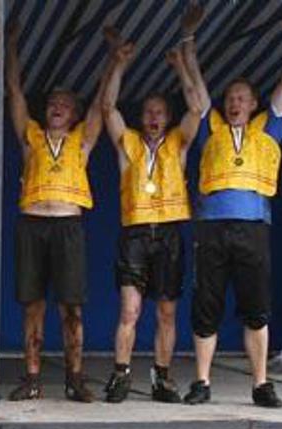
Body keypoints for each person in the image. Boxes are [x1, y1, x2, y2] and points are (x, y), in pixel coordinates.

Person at [180, 5, 282, 407]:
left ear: (253, 104)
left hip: (253, 229)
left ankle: (261, 384)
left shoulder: (270, 129)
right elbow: (196, 87)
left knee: (256, 309)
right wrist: (189, 38)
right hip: (211, 230)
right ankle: (202, 383)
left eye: (241, 98)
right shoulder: (211, 127)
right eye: (230, 98)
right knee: (206, 307)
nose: (234, 103)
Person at [5, 21, 108, 402]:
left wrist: (114, 61)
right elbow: (14, 91)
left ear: (75, 113)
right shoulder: (31, 137)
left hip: (68, 226)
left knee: (71, 308)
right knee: (32, 306)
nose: (57, 108)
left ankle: (74, 379)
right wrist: (10, 45)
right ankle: (32, 378)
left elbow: (101, 105)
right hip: (32, 224)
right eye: (52, 103)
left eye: (65, 105)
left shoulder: (82, 141)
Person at [100, 29, 203, 403]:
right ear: (141, 117)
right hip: (135, 233)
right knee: (130, 310)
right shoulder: (127, 143)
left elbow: (197, 108)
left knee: (166, 312)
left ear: (168, 117)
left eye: (160, 112)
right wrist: (118, 64)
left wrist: (181, 68)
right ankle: (120, 374)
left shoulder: (178, 142)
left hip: (170, 233)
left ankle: (162, 378)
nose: (154, 116)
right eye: (148, 111)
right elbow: (108, 108)